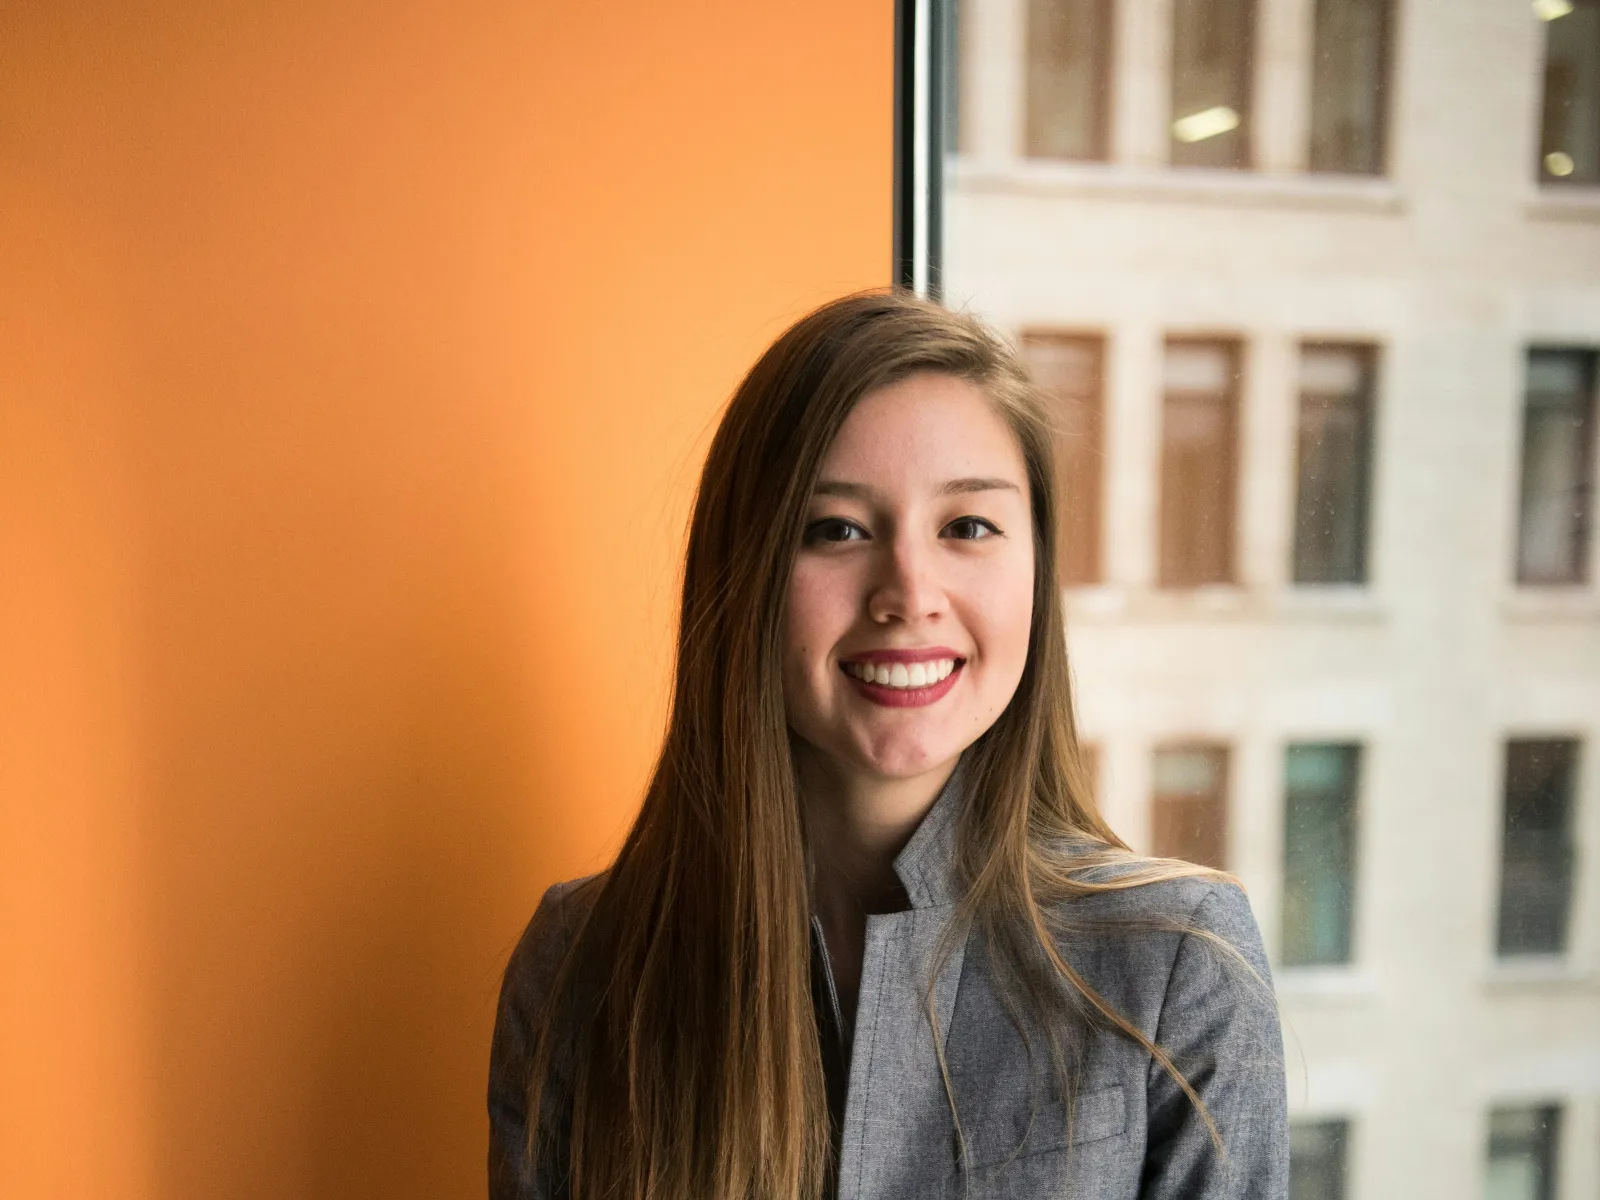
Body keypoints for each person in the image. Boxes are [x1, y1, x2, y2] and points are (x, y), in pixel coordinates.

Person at [488, 291, 1288, 1200]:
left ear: (1036, 569)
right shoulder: (579, 966)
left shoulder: (1177, 960)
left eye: (967, 527)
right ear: (742, 575)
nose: (909, 592)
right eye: (837, 530)